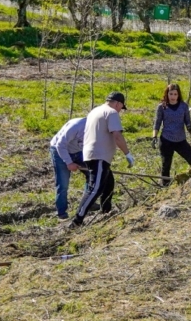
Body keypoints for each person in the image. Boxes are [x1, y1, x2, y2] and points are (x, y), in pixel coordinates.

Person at [73, 92, 133, 227]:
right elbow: (117, 136)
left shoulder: (94, 111)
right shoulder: (111, 113)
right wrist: (127, 154)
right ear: (118, 103)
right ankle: (77, 220)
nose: (120, 111)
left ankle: (106, 211)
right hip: (99, 156)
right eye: (121, 107)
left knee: (109, 182)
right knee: (96, 188)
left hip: (90, 153)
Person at [152, 83, 191, 182]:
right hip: (166, 140)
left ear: (178, 95)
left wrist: (190, 127)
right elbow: (157, 122)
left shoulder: (184, 106)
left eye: (175, 94)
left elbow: (187, 121)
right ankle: (165, 186)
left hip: (180, 140)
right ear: (167, 94)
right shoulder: (162, 107)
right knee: (166, 166)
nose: (173, 97)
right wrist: (154, 137)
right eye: (171, 94)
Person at [49, 116, 87, 220]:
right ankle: (61, 213)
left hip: (78, 151)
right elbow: (60, 145)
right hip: (59, 151)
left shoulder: (97, 128)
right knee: (63, 184)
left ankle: (88, 202)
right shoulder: (76, 126)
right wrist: (69, 163)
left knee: (92, 174)